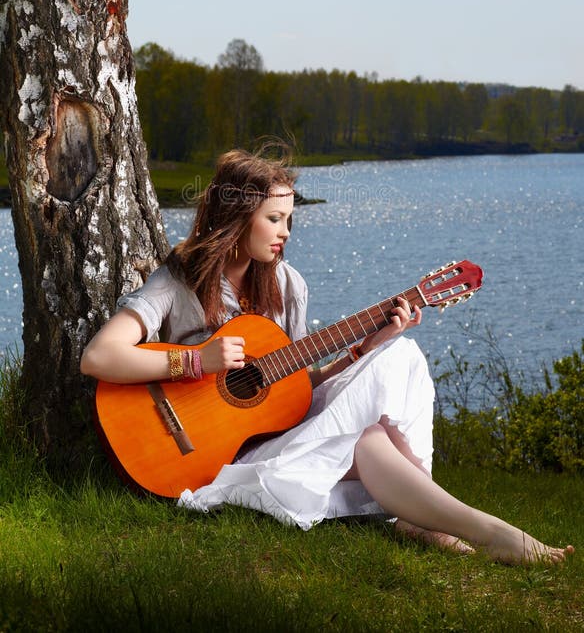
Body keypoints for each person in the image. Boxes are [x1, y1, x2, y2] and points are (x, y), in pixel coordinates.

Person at [81, 148, 574, 565]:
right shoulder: (179, 279)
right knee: (369, 439)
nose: (286, 232)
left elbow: (293, 386)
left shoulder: (289, 286)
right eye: (274, 218)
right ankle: (467, 529)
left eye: (290, 220)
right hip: (214, 457)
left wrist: (365, 350)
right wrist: (195, 362)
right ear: (236, 216)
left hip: (274, 431)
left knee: (394, 365)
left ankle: (464, 528)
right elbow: (100, 357)